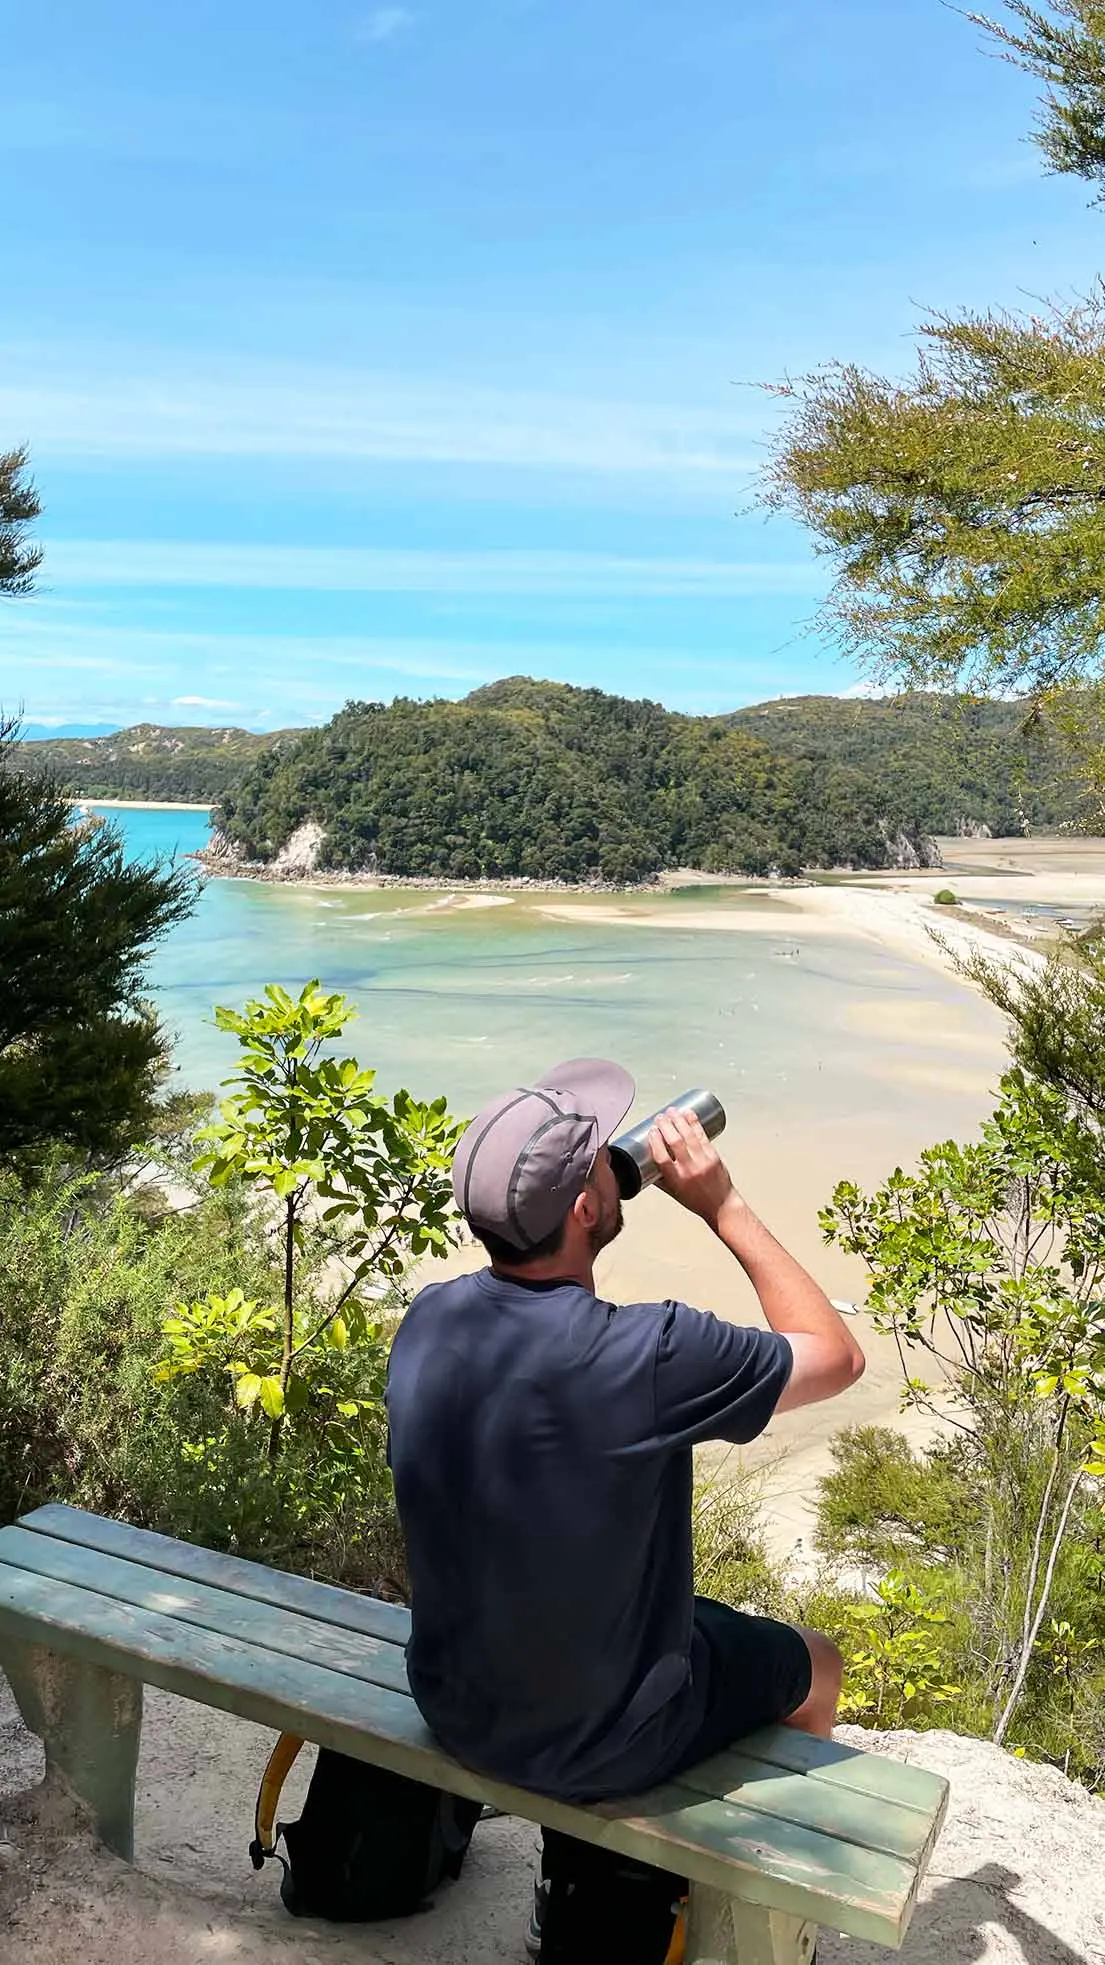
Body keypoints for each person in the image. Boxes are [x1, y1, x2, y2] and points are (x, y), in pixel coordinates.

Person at [386, 1058, 865, 1959]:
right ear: (584, 1211)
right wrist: (719, 1202)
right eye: (598, 1158)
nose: (616, 1157)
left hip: (452, 1702)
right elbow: (834, 1355)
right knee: (817, 1663)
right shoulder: (649, 1352)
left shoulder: (430, 1318)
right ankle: (752, 1917)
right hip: (605, 1743)